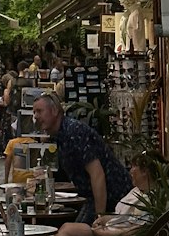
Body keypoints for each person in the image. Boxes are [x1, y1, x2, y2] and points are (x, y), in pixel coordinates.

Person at [31, 92, 132, 223]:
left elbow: (97, 174)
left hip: (114, 198)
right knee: (71, 232)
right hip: (92, 198)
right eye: (34, 112)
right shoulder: (59, 136)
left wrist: (99, 217)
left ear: (55, 111)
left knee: (76, 234)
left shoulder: (74, 132)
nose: (36, 116)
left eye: (39, 111)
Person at [45, 151, 166, 236]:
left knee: (69, 232)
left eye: (134, 167)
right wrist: (105, 219)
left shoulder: (150, 201)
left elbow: (135, 232)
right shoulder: (137, 191)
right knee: (69, 234)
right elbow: (123, 216)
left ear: (145, 171)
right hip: (108, 232)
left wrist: (104, 233)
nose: (131, 171)